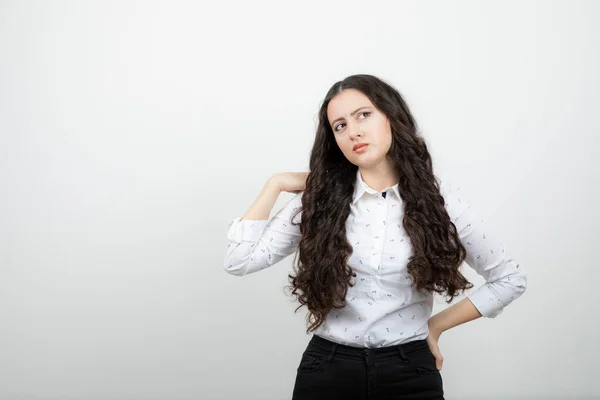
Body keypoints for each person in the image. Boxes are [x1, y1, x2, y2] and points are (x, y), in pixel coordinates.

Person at [223, 74, 528, 399]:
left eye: (363, 115)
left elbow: (509, 279)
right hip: (328, 370)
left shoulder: (441, 201)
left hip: (410, 371)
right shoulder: (318, 199)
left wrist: (436, 326)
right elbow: (239, 261)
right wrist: (276, 184)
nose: (352, 130)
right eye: (339, 125)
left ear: (392, 117)